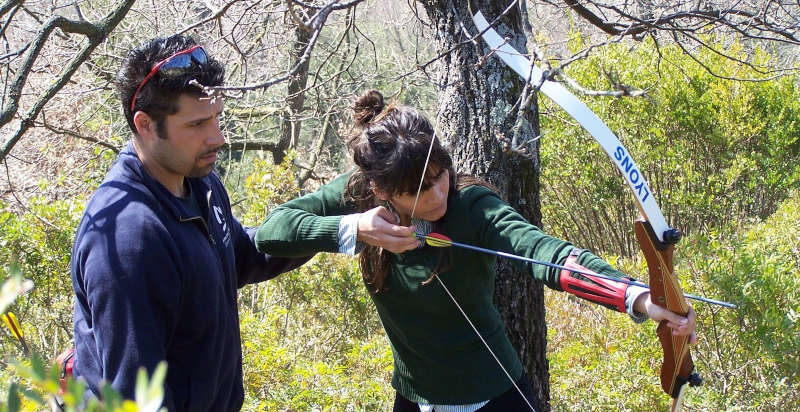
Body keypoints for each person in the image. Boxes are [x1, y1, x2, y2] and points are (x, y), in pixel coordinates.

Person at [254, 90, 697, 411]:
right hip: (413, 397)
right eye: (417, 190)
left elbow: (543, 252)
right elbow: (272, 232)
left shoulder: (472, 204)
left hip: (494, 394)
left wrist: (638, 296)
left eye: (440, 173)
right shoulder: (357, 198)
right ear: (380, 189)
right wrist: (353, 228)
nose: (436, 194)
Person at [69, 35, 309, 411]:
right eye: (197, 123)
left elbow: (242, 255)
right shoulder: (130, 237)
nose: (217, 137)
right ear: (145, 125)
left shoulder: (199, 183)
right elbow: (136, 399)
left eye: (217, 117)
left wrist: (339, 221)